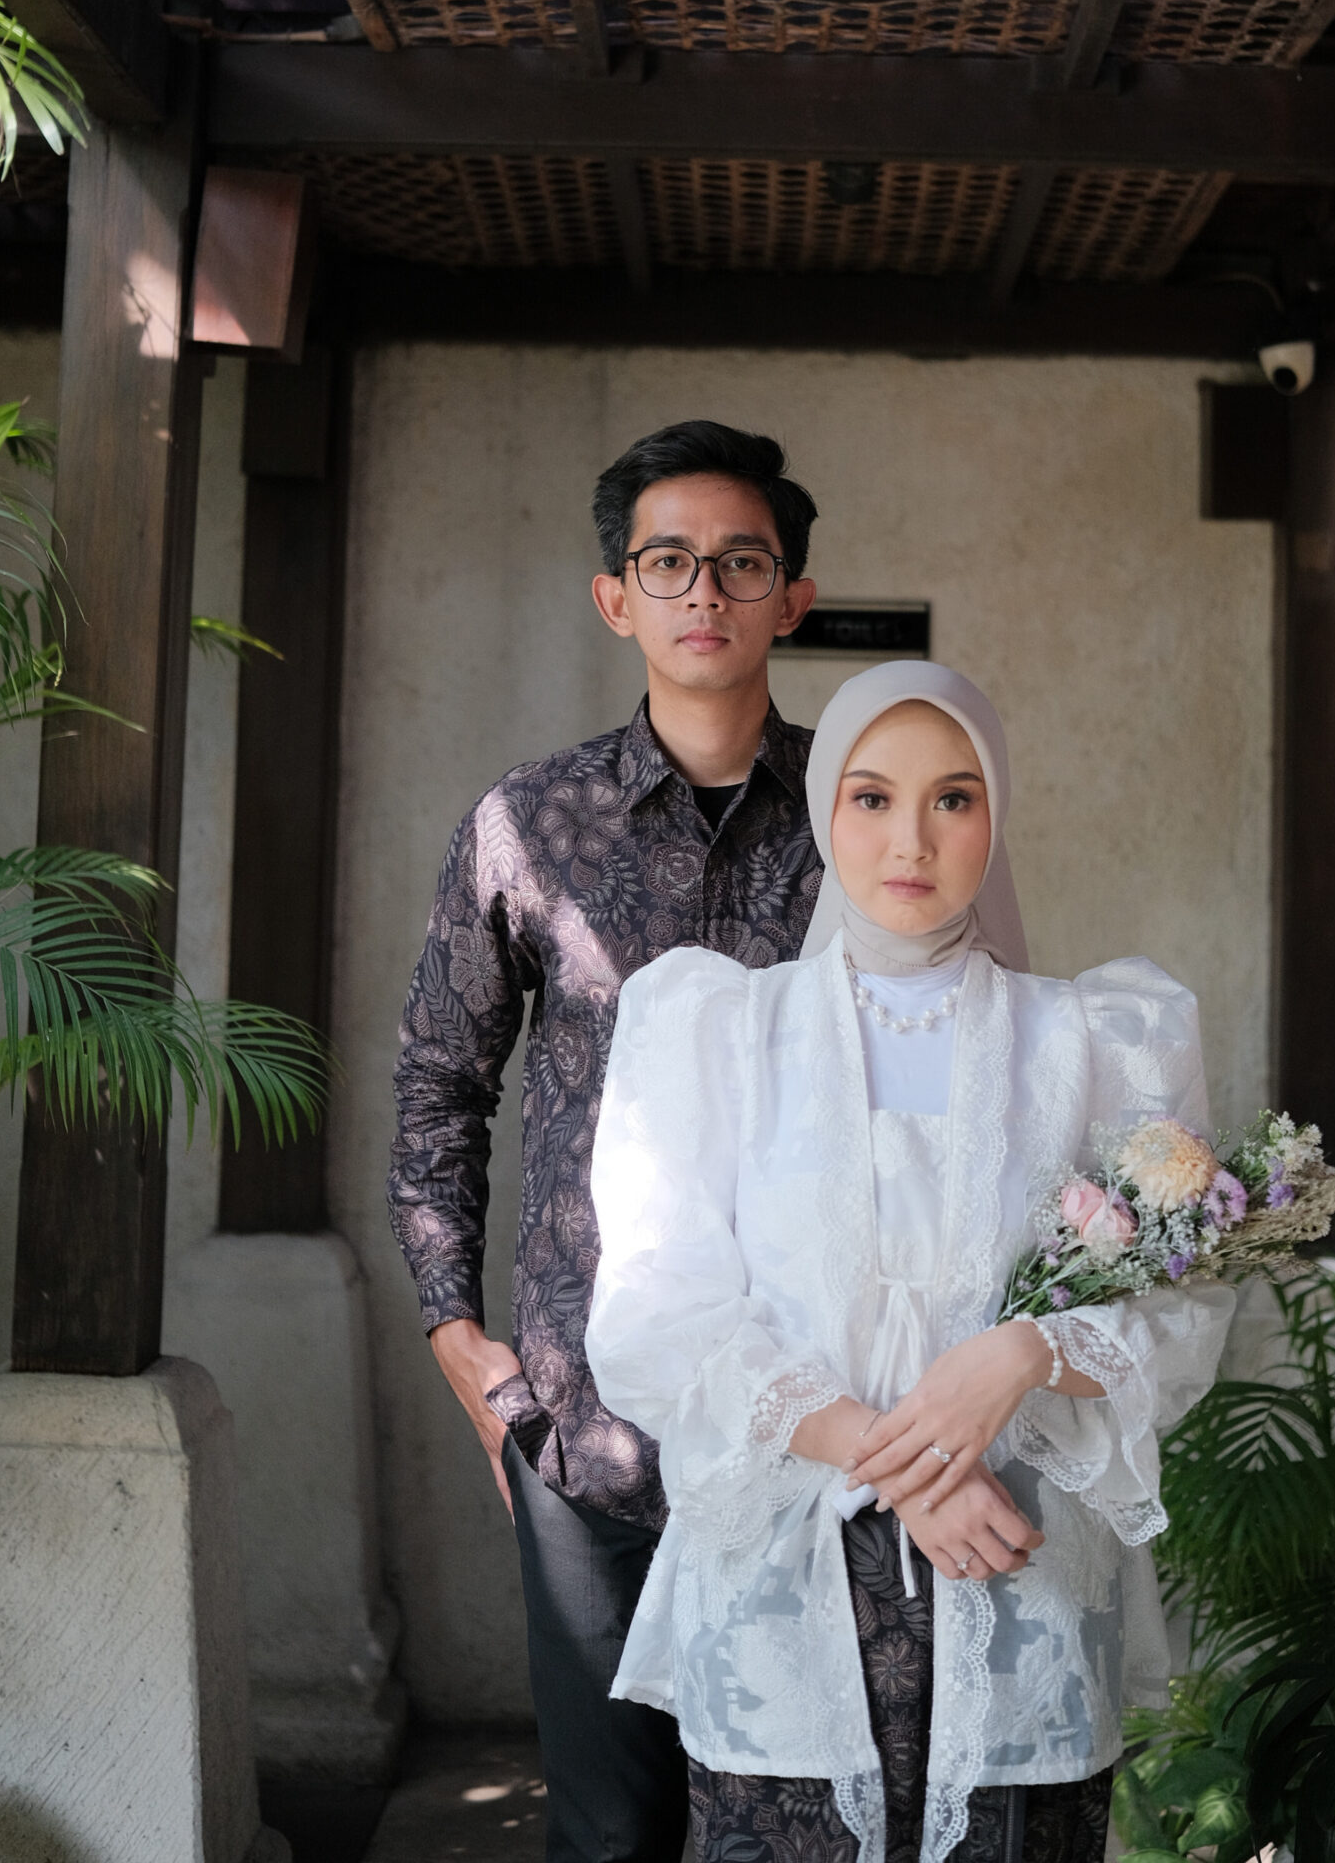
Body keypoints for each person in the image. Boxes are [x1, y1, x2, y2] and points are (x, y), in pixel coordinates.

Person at [586, 662, 1236, 1863]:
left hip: (1021, 1581)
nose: (912, 839)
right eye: (873, 796)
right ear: (825, 808)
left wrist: (1021, 1352)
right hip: (785, 1584)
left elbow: (1176, 1308)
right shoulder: (720, 1029)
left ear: (997, 814)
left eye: (954, 798)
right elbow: (658, 1309)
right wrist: (909, 1461)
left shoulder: (1097, 1038)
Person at [388, 420, 825, 1863]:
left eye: (741, 562)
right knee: (613, 1832)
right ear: (615, 596)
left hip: (815, 1407)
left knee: (795, 1820)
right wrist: (458, 1334)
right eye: (668, 561)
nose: (704, 590)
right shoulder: (527, 824)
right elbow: (439, 1080)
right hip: (588, 1421)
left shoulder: (860, 814)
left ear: (791, 597)